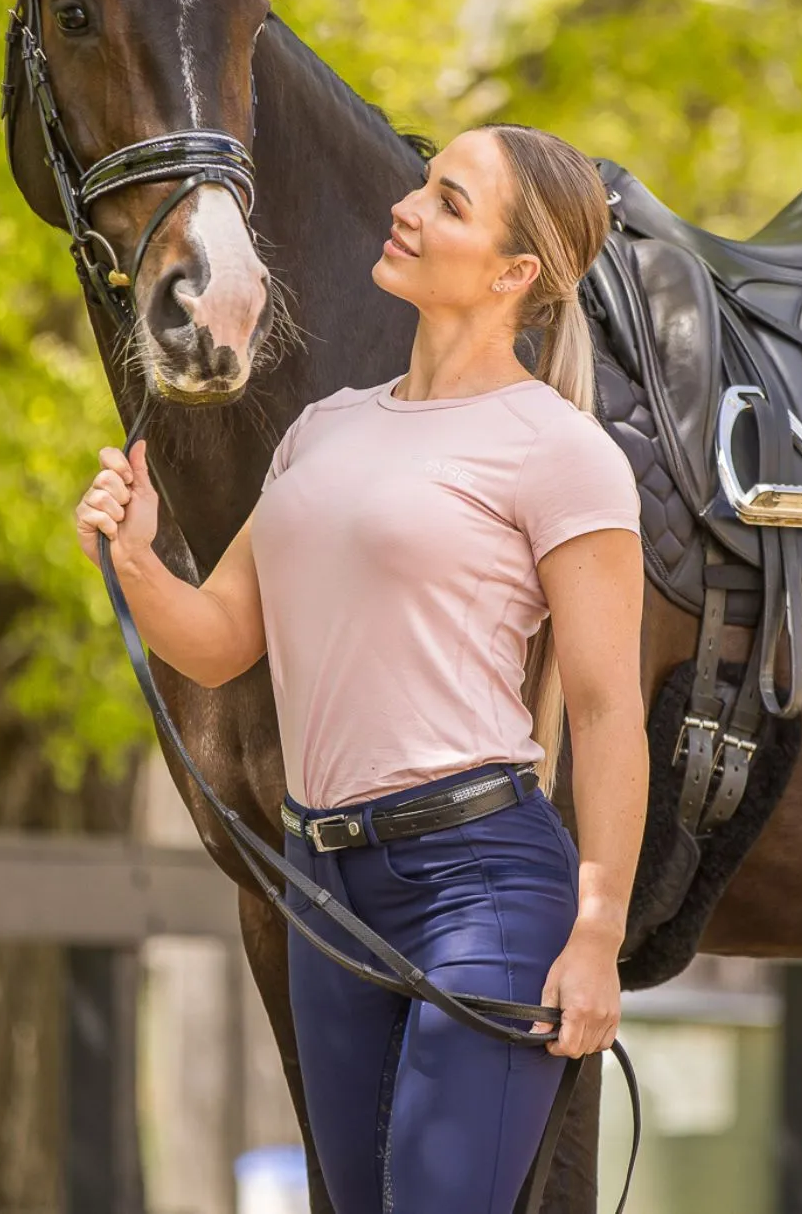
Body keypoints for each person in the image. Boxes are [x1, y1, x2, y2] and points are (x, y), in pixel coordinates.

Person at [75, 122, 648, 1214]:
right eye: (421, 187)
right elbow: (215, 639)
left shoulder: (558, 449)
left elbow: (608, 708)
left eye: (447, 202)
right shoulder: (321, 431)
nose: (408, 208)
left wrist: (597, 932)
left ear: (515, 271)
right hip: (324, 888)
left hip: (477, 882)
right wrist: (137, 557)